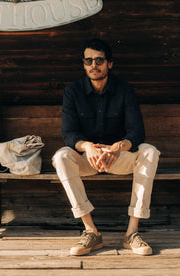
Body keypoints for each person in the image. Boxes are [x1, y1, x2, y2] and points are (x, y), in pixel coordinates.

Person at [52, 38, 160, 256]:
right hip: (87, 159)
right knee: (61, 156)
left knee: (150, 151)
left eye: (99, 60)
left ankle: (132, 233)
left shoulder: (125, 90)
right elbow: (69, 134)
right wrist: (88, 147)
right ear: (83, 64)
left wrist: (119, 147)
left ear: (109, 63)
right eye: (88, 60)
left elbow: (137, 133)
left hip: (117, 158)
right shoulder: (72, 92)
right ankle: (91, 231)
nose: (94, 65)